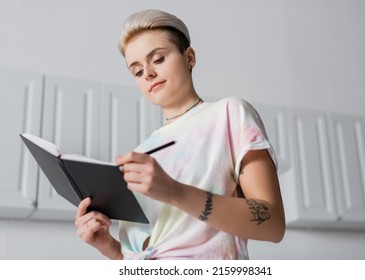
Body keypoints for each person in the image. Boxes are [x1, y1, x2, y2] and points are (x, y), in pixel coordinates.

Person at [75, 9, 285, 260]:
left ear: (189, 57)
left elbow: (272, 223)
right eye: (138, 71)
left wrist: (174, 191)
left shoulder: (229, 114)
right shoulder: (142, 154)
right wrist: (110, 247)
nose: (148, 74)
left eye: (158, 59)